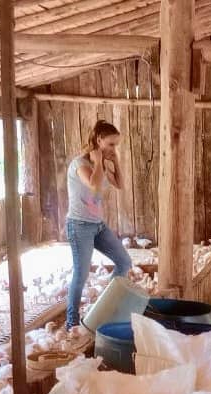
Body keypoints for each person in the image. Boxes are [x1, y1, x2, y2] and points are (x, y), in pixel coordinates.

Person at [65, 119, 134, 331]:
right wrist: (98, 163)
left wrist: (116, 161)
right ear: (99, 140)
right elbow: (94, 185)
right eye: (111, 144)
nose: (114, 148)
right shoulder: (79, 165)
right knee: (81, 273)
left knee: (124, 262)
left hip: (98, 225)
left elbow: (120, 184)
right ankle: (72, 321)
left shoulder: (102, 164)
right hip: (79, 225)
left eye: (116, 145)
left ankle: (102, 306)